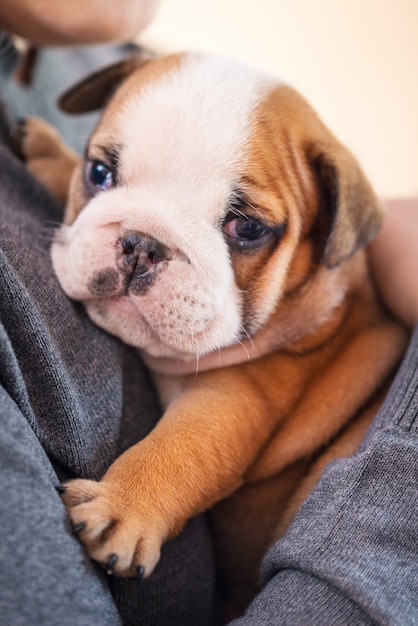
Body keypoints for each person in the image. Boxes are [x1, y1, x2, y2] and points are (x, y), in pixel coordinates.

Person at [0, 2, 417, 624]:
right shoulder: (134, 72)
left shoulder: (111, 58)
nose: (140, 253)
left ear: (330, 235)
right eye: (105, 173)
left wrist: (138, 497)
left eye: (242, 227)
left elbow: (229, 409)